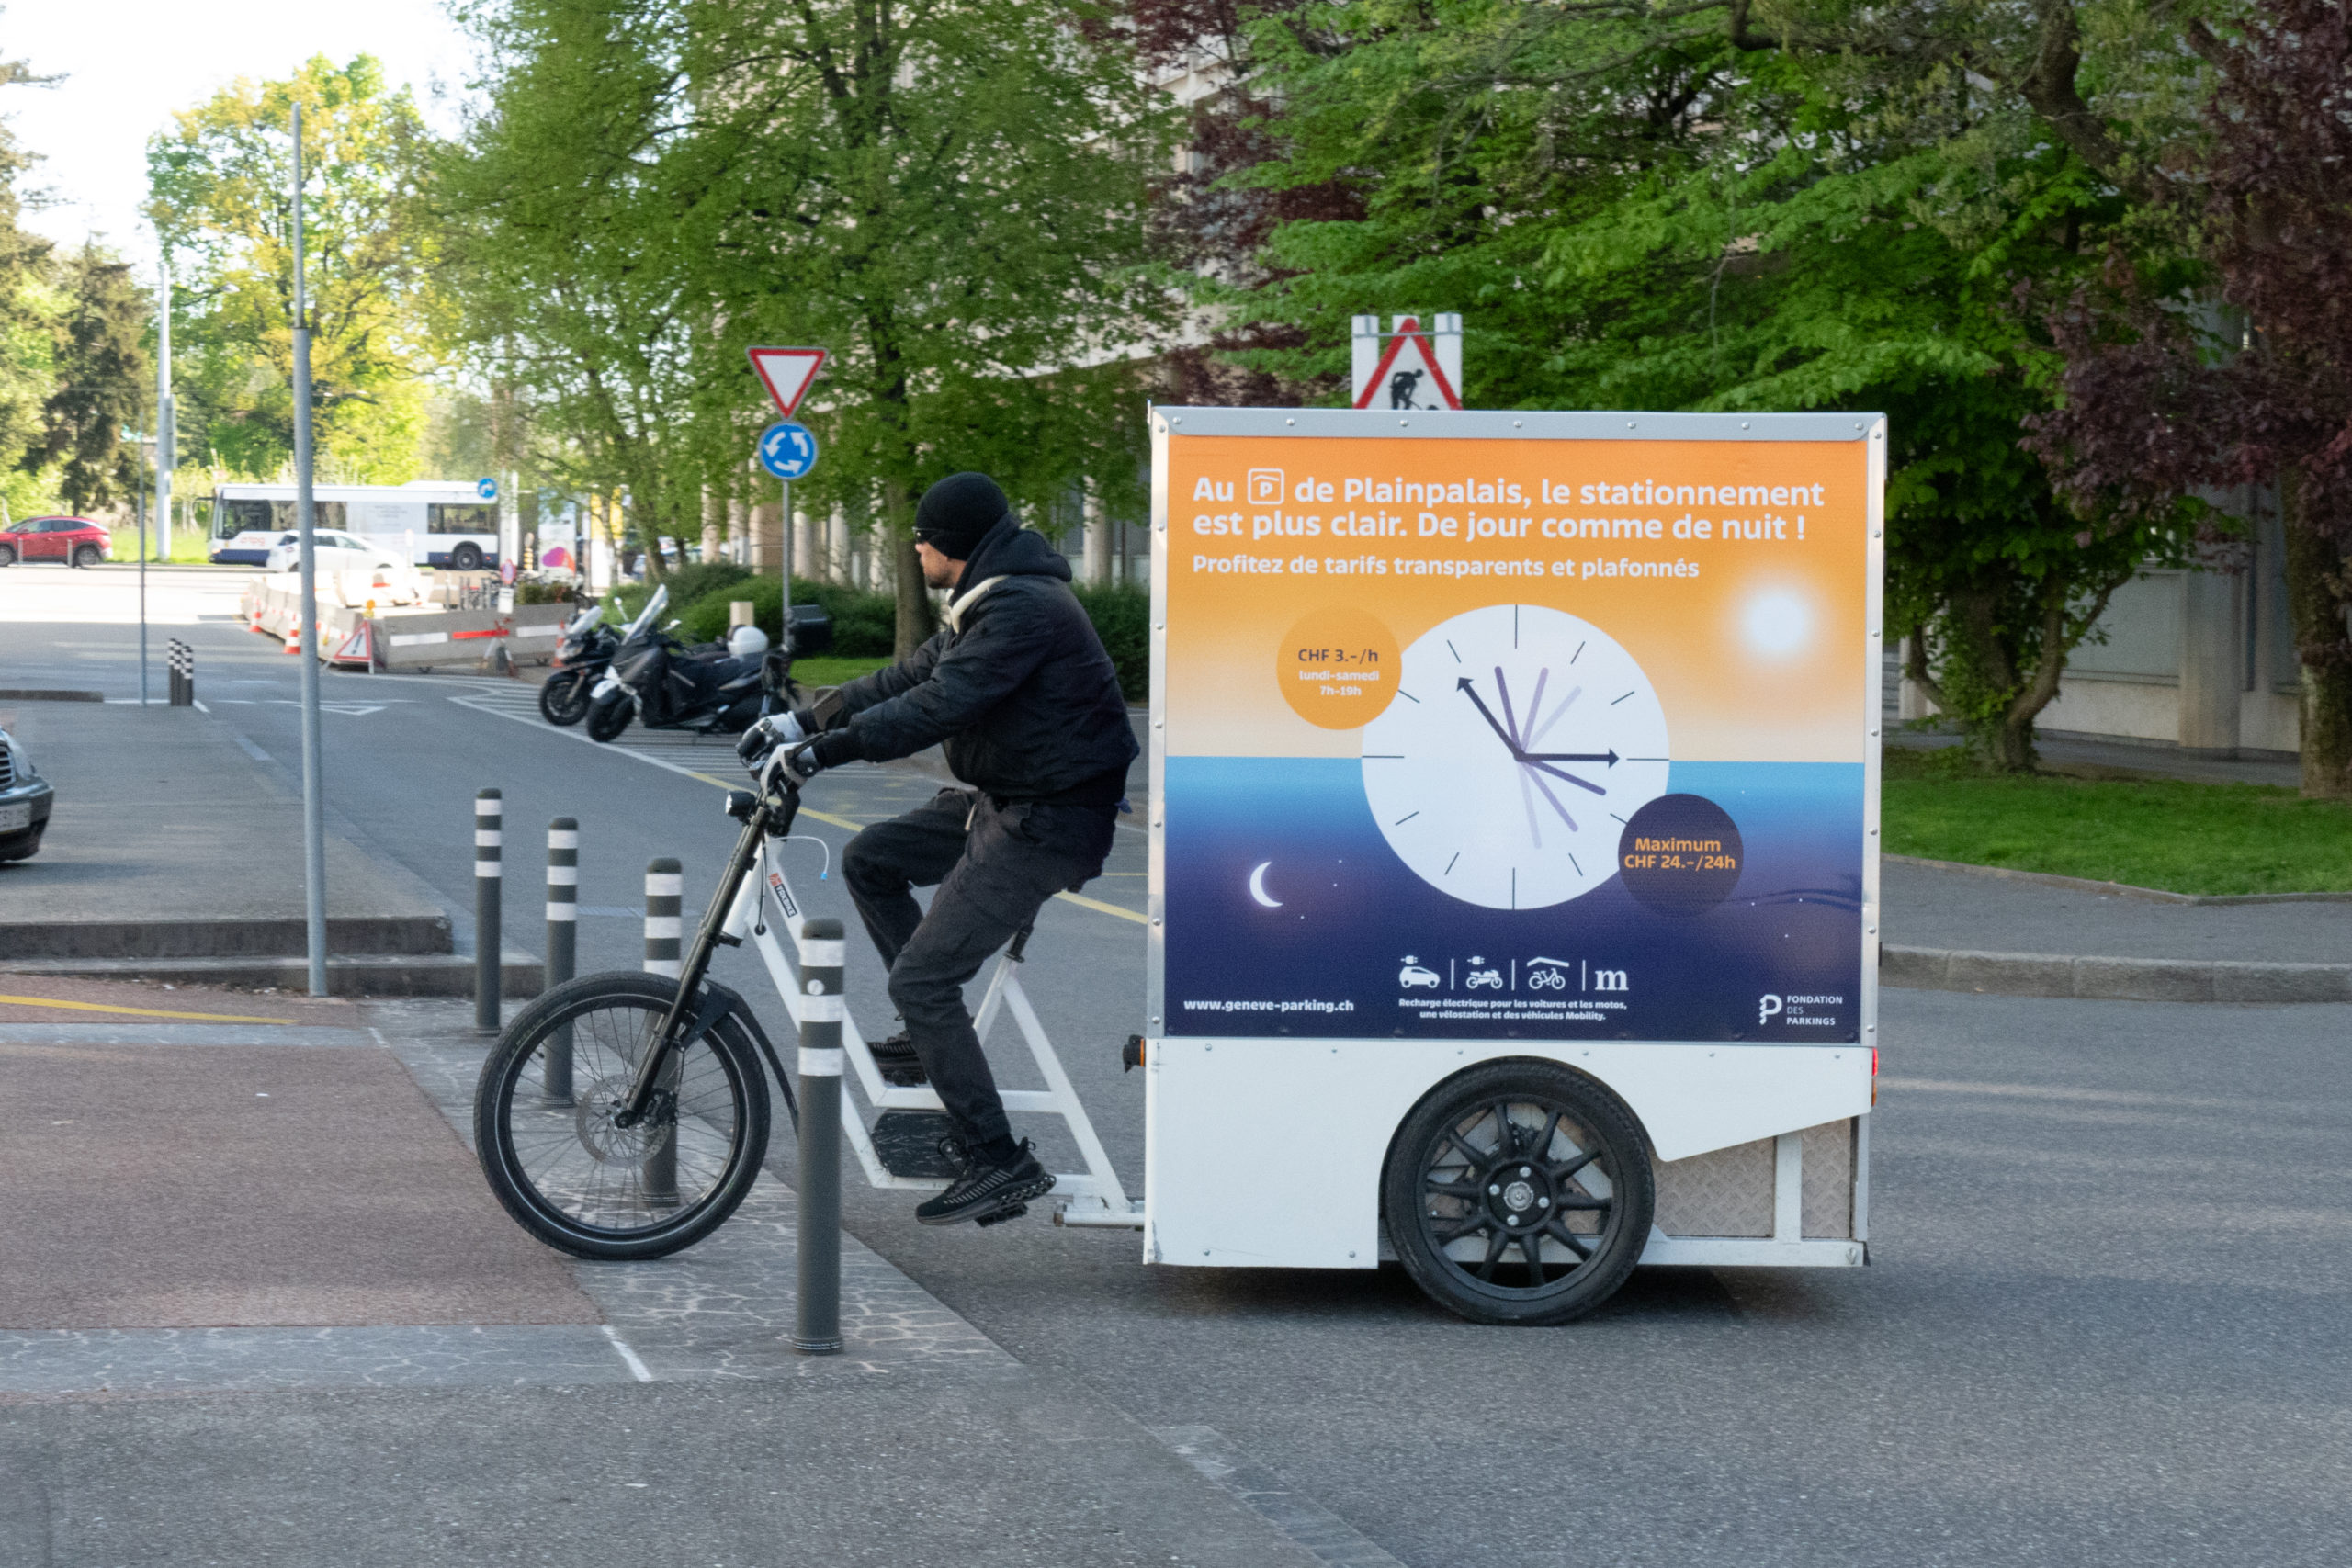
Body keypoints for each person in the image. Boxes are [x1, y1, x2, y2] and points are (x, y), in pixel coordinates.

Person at [738, 472, 1137, 1227]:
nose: (915, 544)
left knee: (923, 981)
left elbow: (937, 706)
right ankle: (928, 1047)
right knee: (872, 859)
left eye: (922, 535)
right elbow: (908, 674)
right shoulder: (986, 599)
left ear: (951, 545)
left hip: (1050, 820)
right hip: (1004, 798)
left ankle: (998, 1159)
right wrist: (803, 722)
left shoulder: (1022, 608)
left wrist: (824, 755)